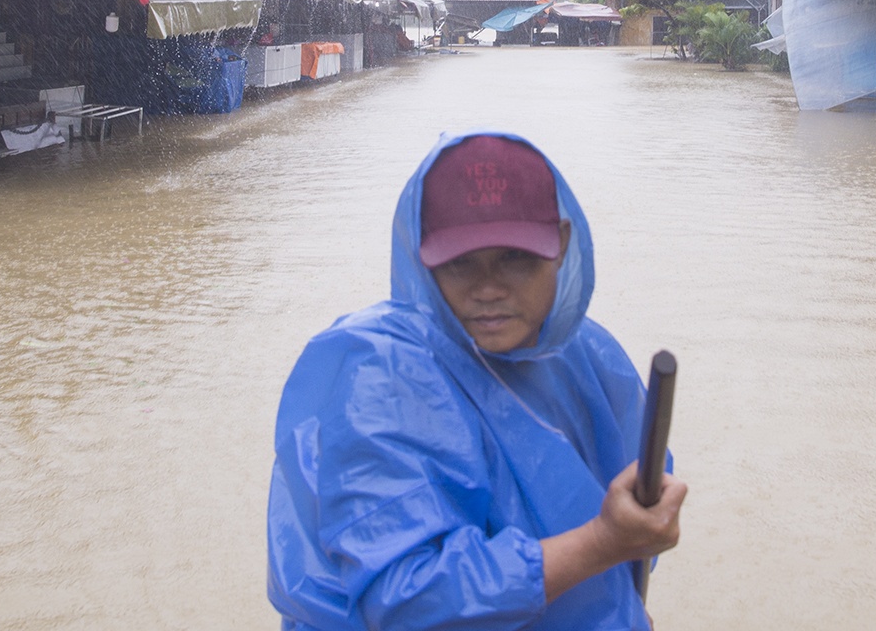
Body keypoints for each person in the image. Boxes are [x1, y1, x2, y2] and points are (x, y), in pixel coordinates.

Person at [267, 132, 686, 630]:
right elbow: (410, 603)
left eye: (515, 257)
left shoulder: (587, 358)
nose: (488, 289)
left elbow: (638, 497)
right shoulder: (380, 376)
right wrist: (602, 543)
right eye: (460, 262)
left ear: (562, 245)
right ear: (422, 257)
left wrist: (620, 597)